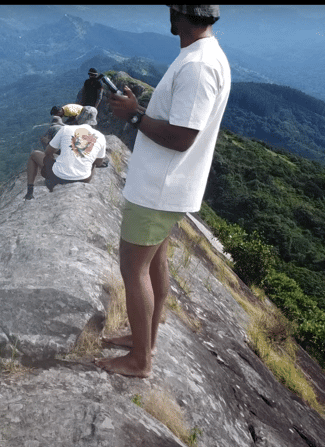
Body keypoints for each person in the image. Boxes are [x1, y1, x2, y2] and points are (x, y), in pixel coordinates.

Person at [95, 5, 230, 378]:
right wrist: (137, 110)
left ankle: (140, 361)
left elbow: (183, 137)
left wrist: (134, 116)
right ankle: (146, 341)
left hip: (159, 189)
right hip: (167, 187)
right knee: (155, 264)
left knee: (132, 268)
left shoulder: (199, 66)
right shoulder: (202, 55)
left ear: (179, 14)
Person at [24, 107, 105, 200]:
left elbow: (48, 152)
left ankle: (29, 193)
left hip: (59, 176)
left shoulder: (65, 129)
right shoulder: (101, 137)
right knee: (94, 161)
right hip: (84, 178)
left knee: (34, 154)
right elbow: (98, 163)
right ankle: (83, 180)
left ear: (79, 118)